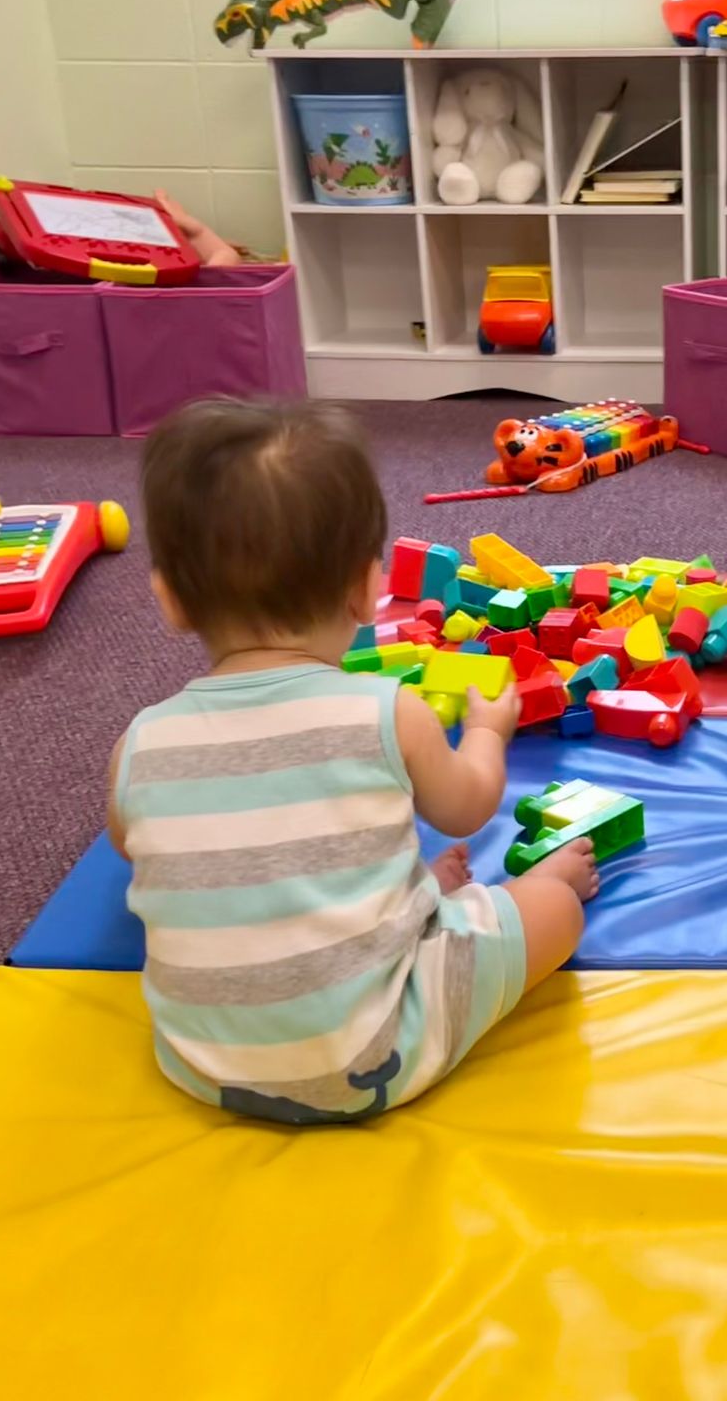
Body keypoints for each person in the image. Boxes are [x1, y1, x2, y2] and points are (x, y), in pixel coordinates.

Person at [106, 397, 595, 1124]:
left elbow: (138, 846)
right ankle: (490, 903)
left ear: (171, 601)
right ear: (368, 589)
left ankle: (403, 907)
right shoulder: (387, 710)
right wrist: (488, 732)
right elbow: (466, 807)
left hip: (203, 1061)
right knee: (553, 906)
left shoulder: (138, 743)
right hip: (376, 1051)